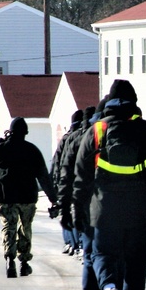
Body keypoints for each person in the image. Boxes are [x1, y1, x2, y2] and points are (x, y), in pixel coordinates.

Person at [73, 79, 146, 290]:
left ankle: (109, 289)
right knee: (136, 264)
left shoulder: (95, 132)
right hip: (140, 212)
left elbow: (81, 177)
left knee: (102, 255)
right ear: (134, 104)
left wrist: (78, 210)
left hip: (104, 211)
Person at [0, 117, 57, 278]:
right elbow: (44, 176)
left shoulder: (1, 149)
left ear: (11, 131)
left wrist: (0, 141)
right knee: (25, 228)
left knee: (9, 228)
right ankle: (24, 263)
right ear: (25, 133)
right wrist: (53, 198)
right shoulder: (32, 150)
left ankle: (10, 260)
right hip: (27, 197)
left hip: (7, 197)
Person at [57, 104, 108, 290]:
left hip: (86, 204)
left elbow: (65, 172)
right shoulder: (108, 133)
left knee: (90, 256)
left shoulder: (77, 138)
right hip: (112, 203)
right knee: (112, 256)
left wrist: (64, 205)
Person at [52, 109, 84, 255]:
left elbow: (58, 161)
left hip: (65, 180)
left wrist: (56, 181)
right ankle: (78, 243)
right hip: (80, 179)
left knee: (67, 212)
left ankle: (70, 243)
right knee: (77, 211)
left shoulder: (67, 138)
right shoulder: (85, 136)